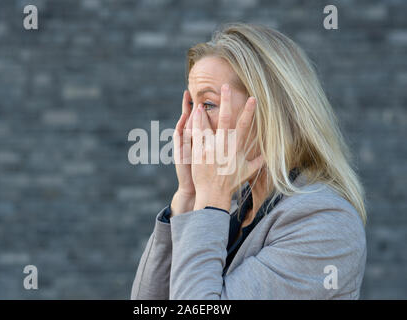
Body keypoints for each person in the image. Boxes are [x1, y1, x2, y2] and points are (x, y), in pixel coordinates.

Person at [131, 23, 367, 299]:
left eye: (208, 105)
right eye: (192, 106)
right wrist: (188, 197)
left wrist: (209, 202)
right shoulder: (233, 208)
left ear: (270, 112)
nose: (191, 126)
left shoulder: (326, 224)